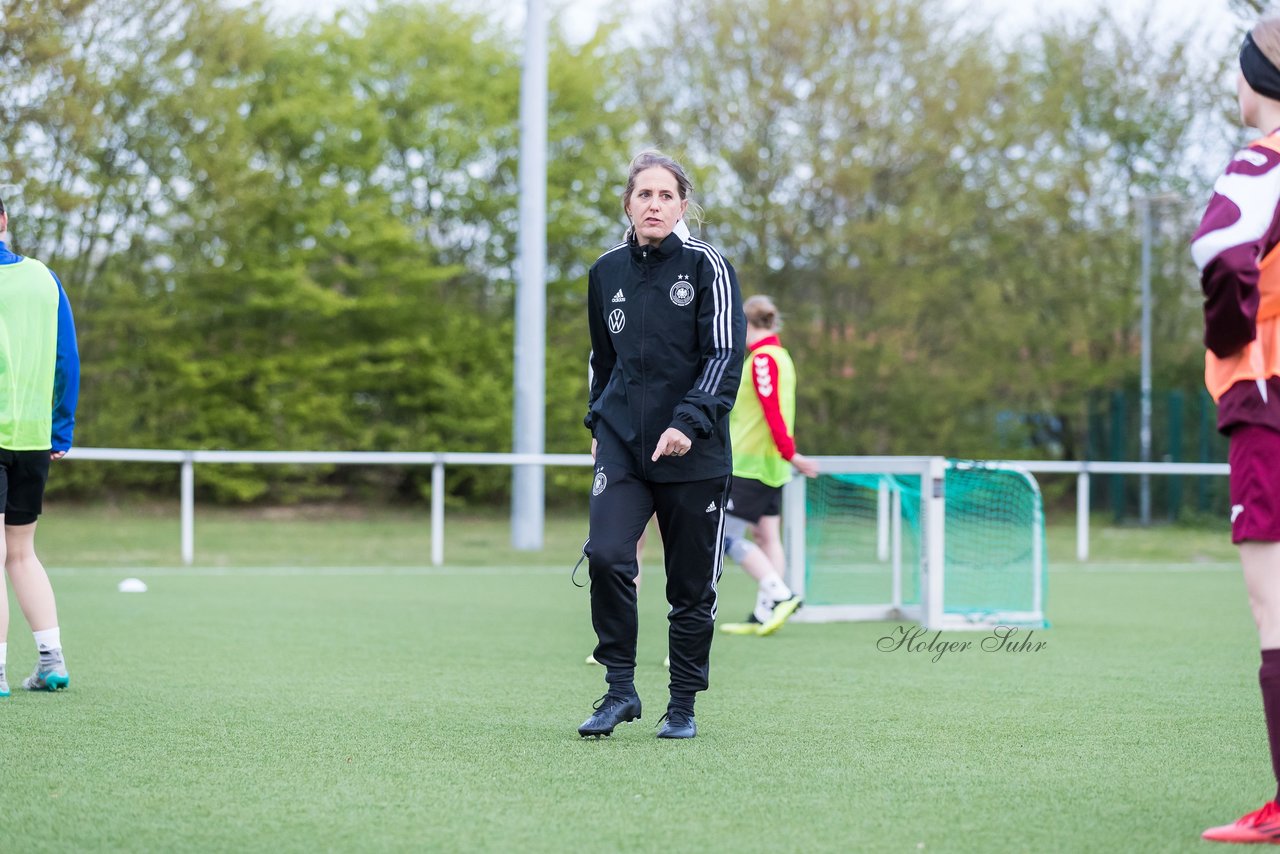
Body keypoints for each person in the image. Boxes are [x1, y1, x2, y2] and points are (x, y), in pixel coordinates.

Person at [578, 150, 745, 739]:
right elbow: (603, 359)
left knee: (690, 586)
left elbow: (724, 356)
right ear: (628, 203)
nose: (654, 204)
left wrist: (687, 422)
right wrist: (599, 425)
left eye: (665, 196)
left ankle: (682, 706)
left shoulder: (709, 267)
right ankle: (619, 690)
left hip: (694, 452)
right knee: (605, 555)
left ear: (683, 206)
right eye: (643, 195)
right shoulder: (606, 272)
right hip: (624, 445)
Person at [1196, 18, 1280, 843]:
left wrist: (1231, 341)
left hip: (1269, 400)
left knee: (1275, 607)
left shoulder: (1265, 159)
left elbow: (1224, 248)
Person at [0, 194, 80, 698]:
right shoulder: (43, 278)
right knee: (21, 554)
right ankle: (51, 661)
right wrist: (60, 429)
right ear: (3, 220)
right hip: (32, 437)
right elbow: (66, 359)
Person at [717, 295, 818, 637]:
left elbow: (773, 412)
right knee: (767, 536)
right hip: (769, 464)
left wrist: (792, 454)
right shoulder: (781, 356)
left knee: (722, 537)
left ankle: (780, 594)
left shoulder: (762, 360)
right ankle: (765, 613)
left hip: (751, 465)